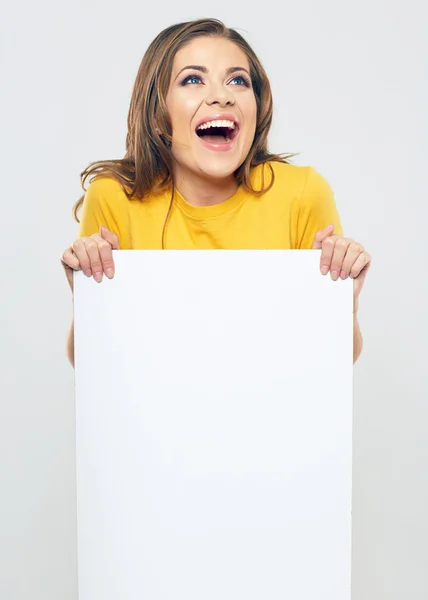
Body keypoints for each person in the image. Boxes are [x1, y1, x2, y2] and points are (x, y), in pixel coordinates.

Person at [61, 18, 371, 368]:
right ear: (159, 113)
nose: (222, 95)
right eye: (193, 79)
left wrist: (343, 301)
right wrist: (88, 294)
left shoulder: (301, 192)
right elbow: (88, 364)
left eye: (238, 80)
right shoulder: (114, 196)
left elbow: (338, 361)